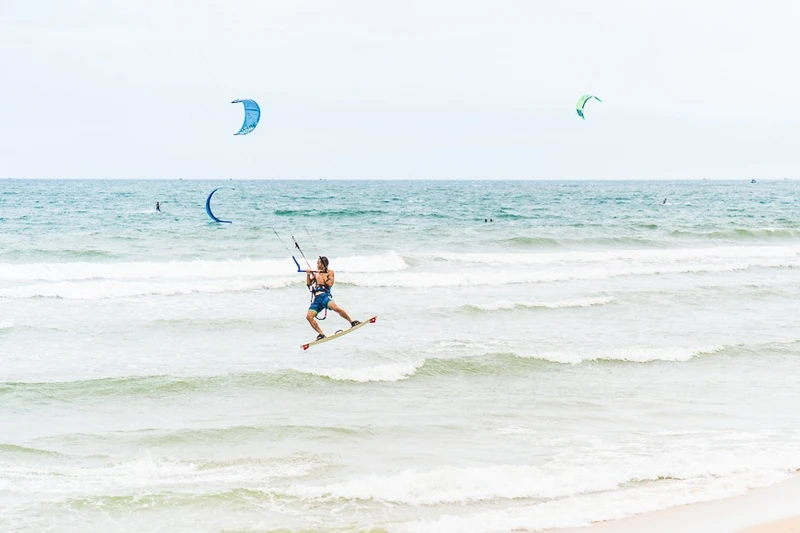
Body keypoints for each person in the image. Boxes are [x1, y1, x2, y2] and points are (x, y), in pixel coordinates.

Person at [305, 256, 359, 340]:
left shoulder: (330, 272)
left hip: (325, 297)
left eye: (318, 263)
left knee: (336, 308)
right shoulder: (316, 273)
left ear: (323, 264)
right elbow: (309, 284)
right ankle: (321, 334)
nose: (317, 264)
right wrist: (308, 275)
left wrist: (322, 274)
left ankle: (352, 322)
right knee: (309, 317)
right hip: (317, 300)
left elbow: (330, 284)